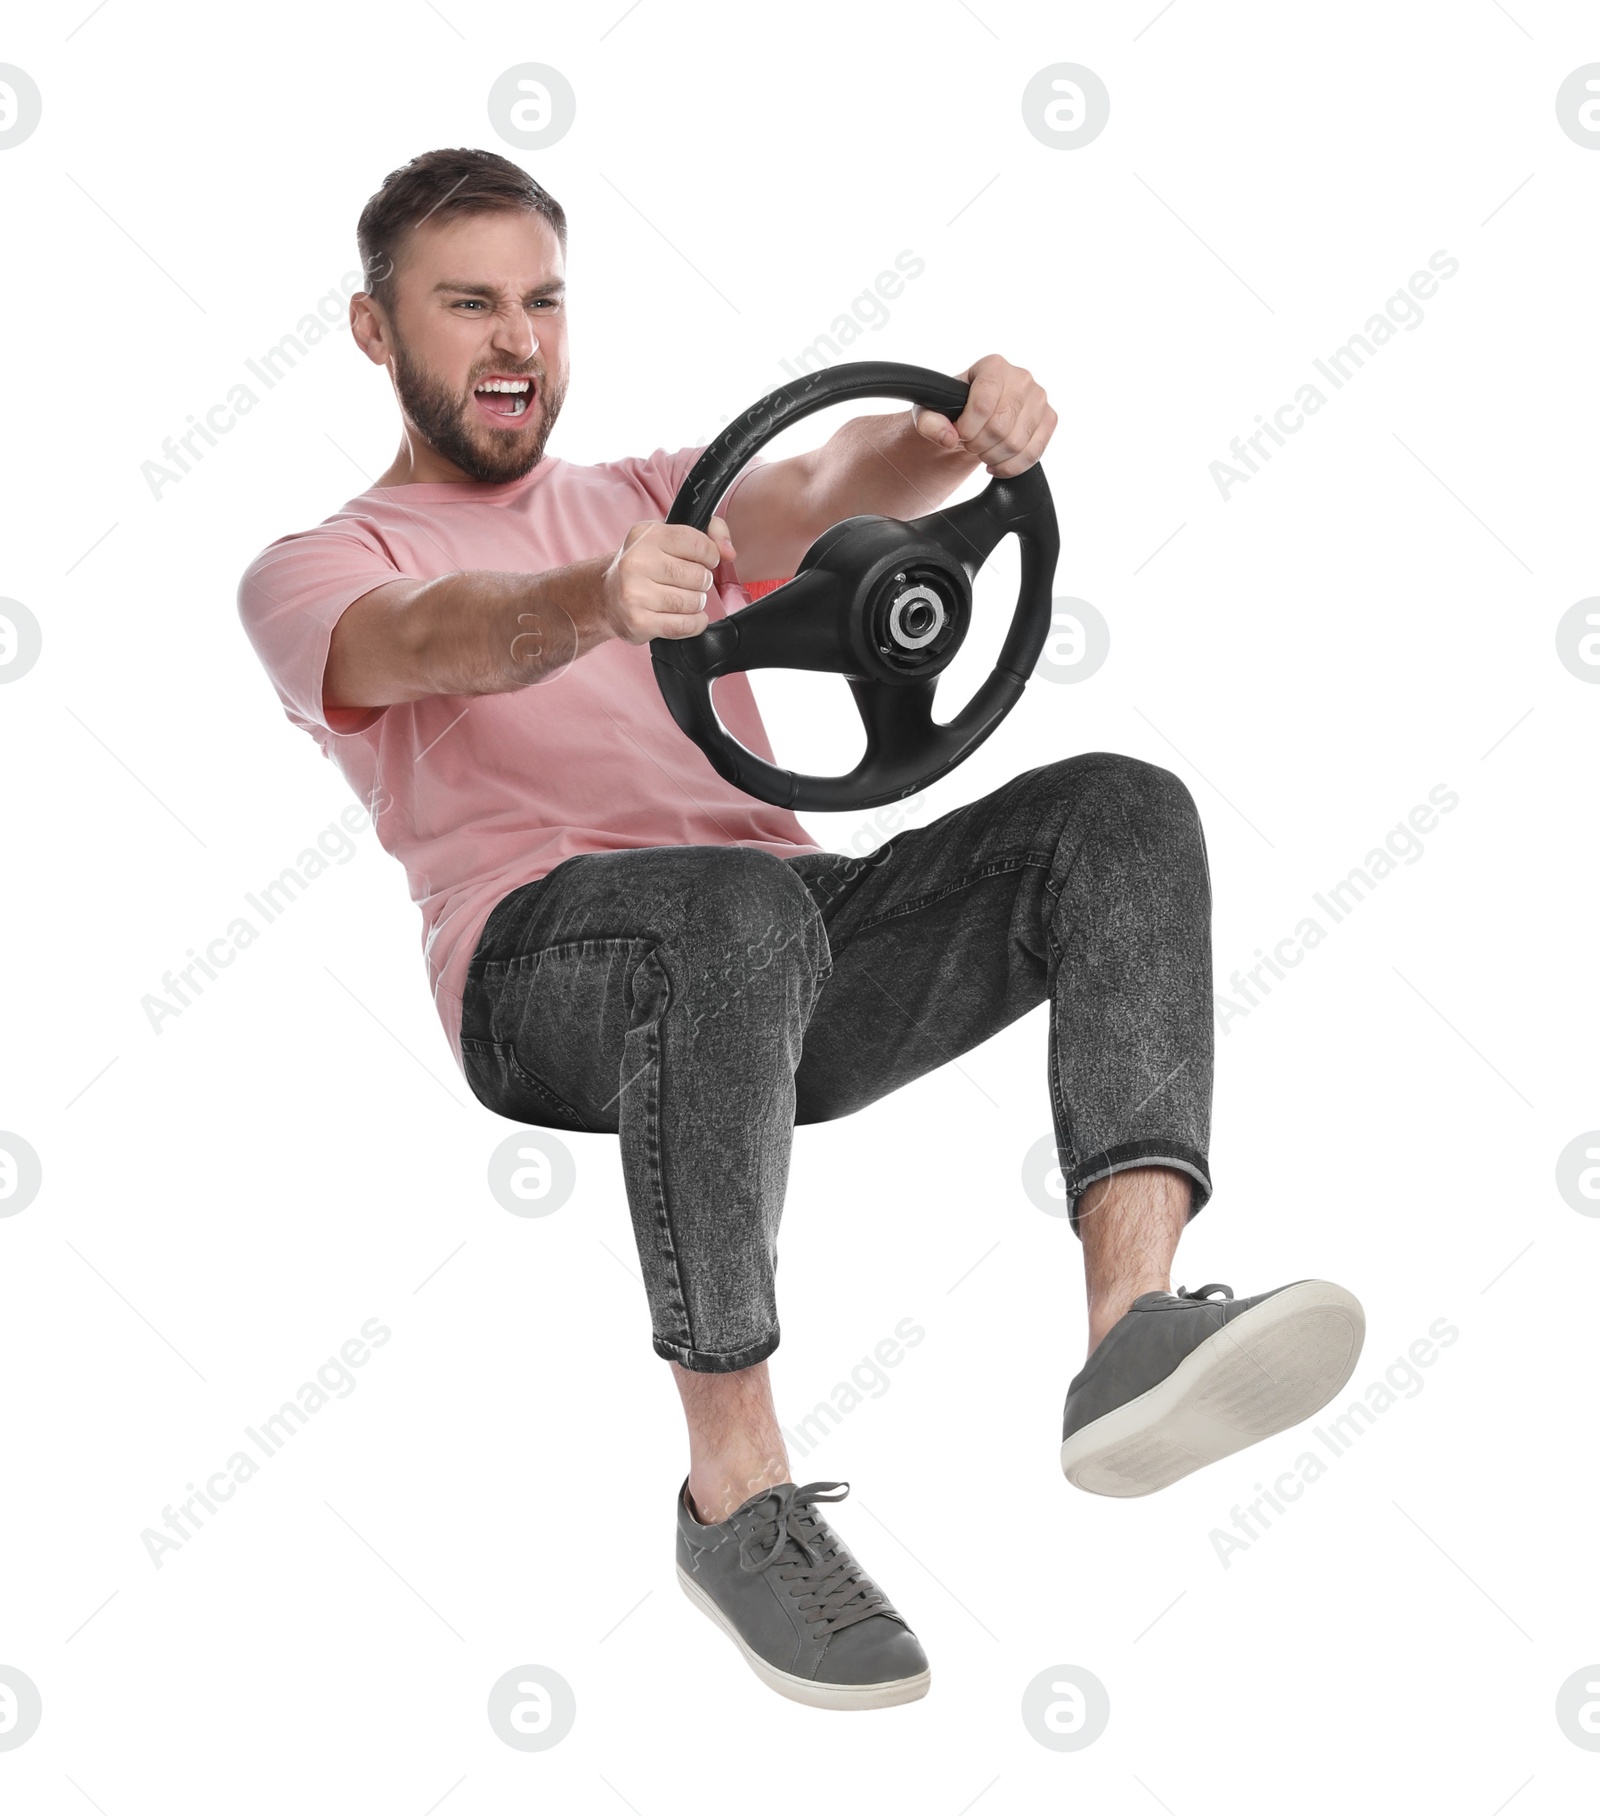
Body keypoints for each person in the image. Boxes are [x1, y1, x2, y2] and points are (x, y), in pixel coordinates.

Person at [237, 146, 1365, 1712]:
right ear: (376, 332)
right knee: (731, 906)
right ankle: (736, 1496)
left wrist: (953, 431)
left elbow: (831, 491)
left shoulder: (657, 498)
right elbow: (433, 638)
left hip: (791, 943)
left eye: (544, 303)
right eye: (469, 305)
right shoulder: (318, 566)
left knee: (1120, 809)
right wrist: (590, 605)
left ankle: (1136, 1330)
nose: (517, 341)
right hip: (538, 976)